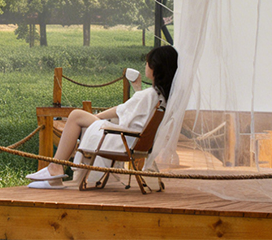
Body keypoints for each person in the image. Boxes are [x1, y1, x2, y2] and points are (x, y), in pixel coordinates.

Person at [25, 45, 177, 189]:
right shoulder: (162, 97)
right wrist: (95, 117)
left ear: (155, 67)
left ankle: (55, 169)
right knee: (81, 119)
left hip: (123, 141)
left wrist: (94, 118)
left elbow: (121, 112)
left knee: (76, 115)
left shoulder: (148, 95)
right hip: (136, 142)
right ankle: (56, 170)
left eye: (147, 62)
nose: (145, 65)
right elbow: (127, 111)